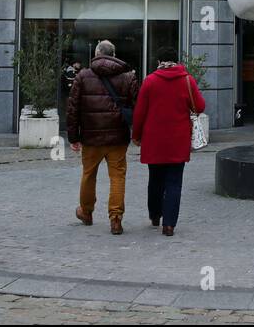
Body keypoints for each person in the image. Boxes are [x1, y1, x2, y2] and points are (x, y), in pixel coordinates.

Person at [132, 46, 206, 236]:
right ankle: (169, 224)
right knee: (174, 182)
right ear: (177, 62)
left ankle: (155, 215)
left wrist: (137, 136)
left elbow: (139, 113)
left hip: (154, 140)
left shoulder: (150, 81)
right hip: (178, 140)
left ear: (159, 62)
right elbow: (199, 105)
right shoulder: (187, 80)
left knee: (155, 180)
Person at [66, 41, 138, 235]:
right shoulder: (127, 77)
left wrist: (73, 137)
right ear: (114, 54)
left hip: (91, 137)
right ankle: (116, 219)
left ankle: (86, 212)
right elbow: (135, 107)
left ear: (97, 54)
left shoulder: (82, 76)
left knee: (88, 174)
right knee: (117, 176)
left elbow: (72, 109)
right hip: (118, 138)